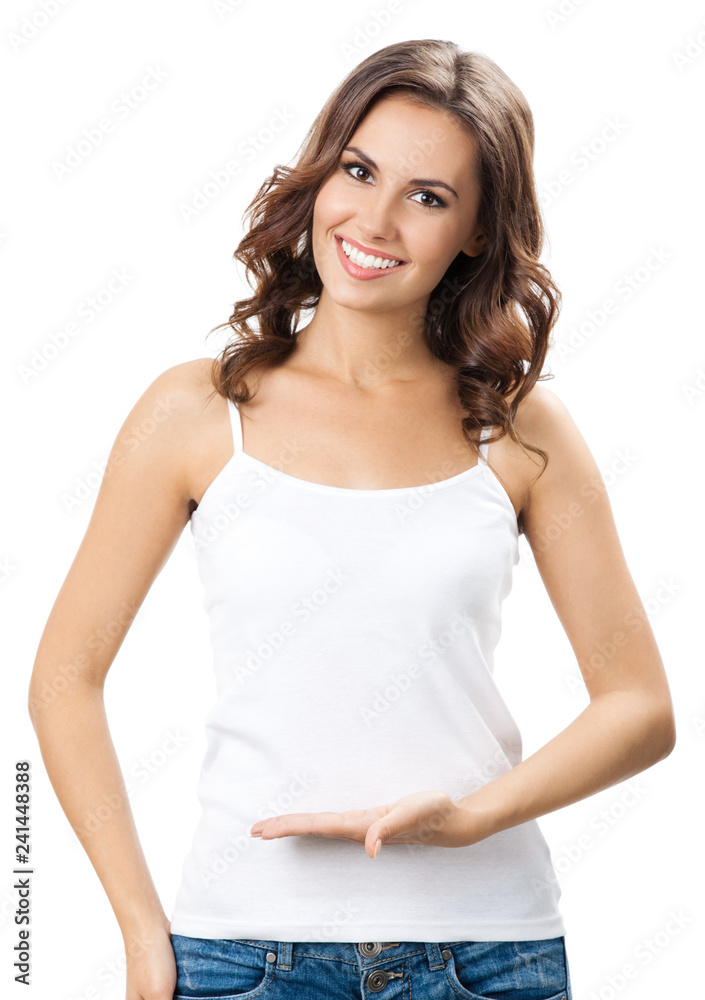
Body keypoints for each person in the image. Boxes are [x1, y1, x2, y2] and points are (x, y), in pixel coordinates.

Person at [28, 38, 675, 1000]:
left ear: (476, 233)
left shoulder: (518, 427)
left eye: (428, 196)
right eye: (359, 171)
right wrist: (139, 934)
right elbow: (64, 680)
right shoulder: (197, 411)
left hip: (485, 955)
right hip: (242, 953)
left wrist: (470, 818)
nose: (373, 221)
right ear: (321, 171)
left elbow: (639, 707)